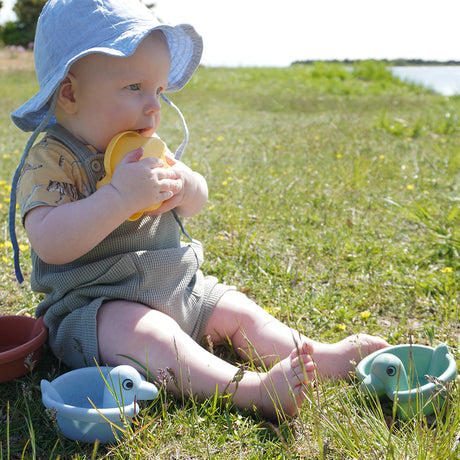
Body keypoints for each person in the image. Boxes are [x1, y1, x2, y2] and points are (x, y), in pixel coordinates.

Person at [10, 0, 389, 420]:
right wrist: (118, 198)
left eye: (159, 91)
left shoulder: (147, 148)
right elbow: (50, 243)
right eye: (135, 87)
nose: (153, 107)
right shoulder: (52, 159)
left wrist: (187, 187)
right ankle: (251, 390)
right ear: (70, 93)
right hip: (96, 309)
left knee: (237, 310)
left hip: (180, 288)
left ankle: (319, 356)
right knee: (147, 334)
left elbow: (199, 197)